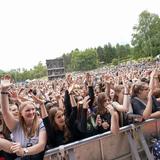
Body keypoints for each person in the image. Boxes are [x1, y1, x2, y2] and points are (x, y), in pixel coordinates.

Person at [0, 75, 47, 160]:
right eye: (28, 110)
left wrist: (24, 151)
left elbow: (41, 145)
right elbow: (5, 112)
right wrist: (4, 91)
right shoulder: (16, 125)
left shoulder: (40, 123)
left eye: (33, 109)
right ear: (21, 113)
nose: (32, 112)